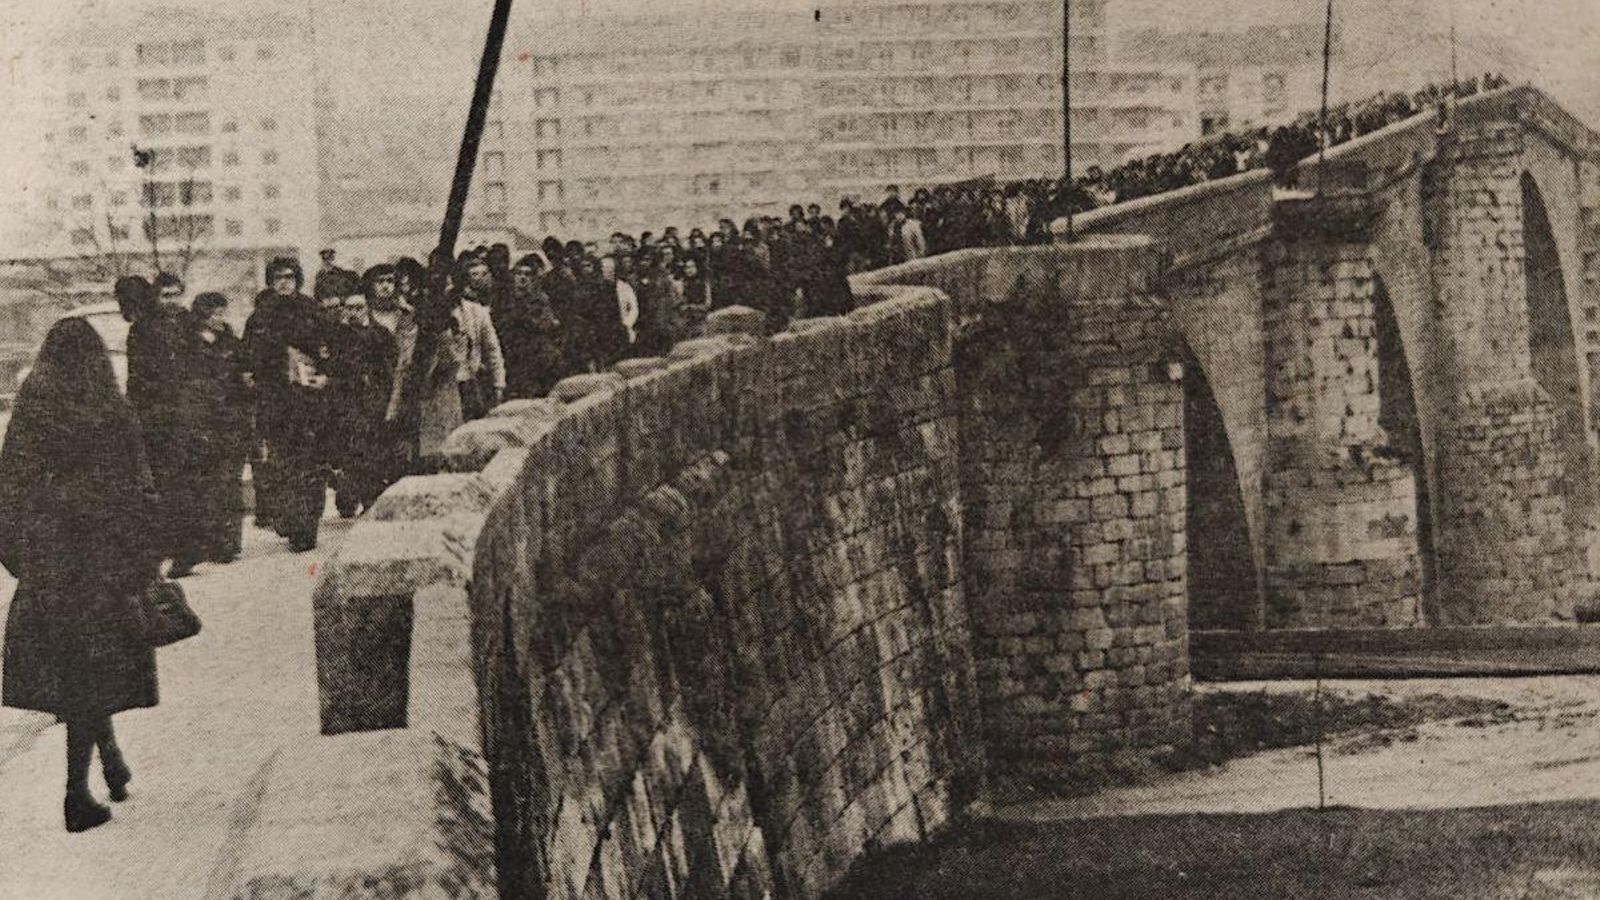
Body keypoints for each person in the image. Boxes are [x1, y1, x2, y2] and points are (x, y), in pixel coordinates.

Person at [0, 318, 164, 833]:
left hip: (52, 565)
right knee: (95, 671)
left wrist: (21, 561)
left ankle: (111, 762)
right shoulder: (109, 406)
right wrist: (143, 560)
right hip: (104, 563)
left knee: (75, 669)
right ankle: (77, 792)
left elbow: (6, 489)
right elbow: (140, 489)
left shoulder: (32, 408)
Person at [243, 257, 331, 552]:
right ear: (270, 281)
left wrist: (325, 376)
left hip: (307, 401)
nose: (284, 282)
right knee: (281, 464)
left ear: (298, 280)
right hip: (275, 402)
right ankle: (290, 520)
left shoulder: (311, 310)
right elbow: (248, 358)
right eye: (278, 277)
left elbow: (329, 350)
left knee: (310, 465)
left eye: (290, 277)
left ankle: (307, 526)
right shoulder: (259, 317)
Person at [168, 293, 251, 576]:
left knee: (229, 483)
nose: (220, 319)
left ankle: (227, 543)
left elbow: (245, 374)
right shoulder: (186, 345)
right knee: (206, 486)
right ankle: (210, 542)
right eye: (215, 314)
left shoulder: (231, 342)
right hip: (201, 425)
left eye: (222, 313)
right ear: (202, 316)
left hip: (230, 421)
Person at [122, 273, 189, 565]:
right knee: (168, 479)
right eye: (166, 296)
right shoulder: (151, 328)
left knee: (174, 480)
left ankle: (182, 546)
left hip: (172, 415)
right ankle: (177, 545)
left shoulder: (163, 327)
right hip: (164, 414)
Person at [327, 292, 397, 517]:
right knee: (352, 452)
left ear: (367, 308)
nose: (353, 312)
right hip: (349, 402)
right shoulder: (339, 336)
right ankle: (349, 498)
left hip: (376, 401)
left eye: (358, 307)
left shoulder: (381, 334)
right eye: (349, 308)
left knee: (375, 451)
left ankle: (370, 498)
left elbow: (392, 367)